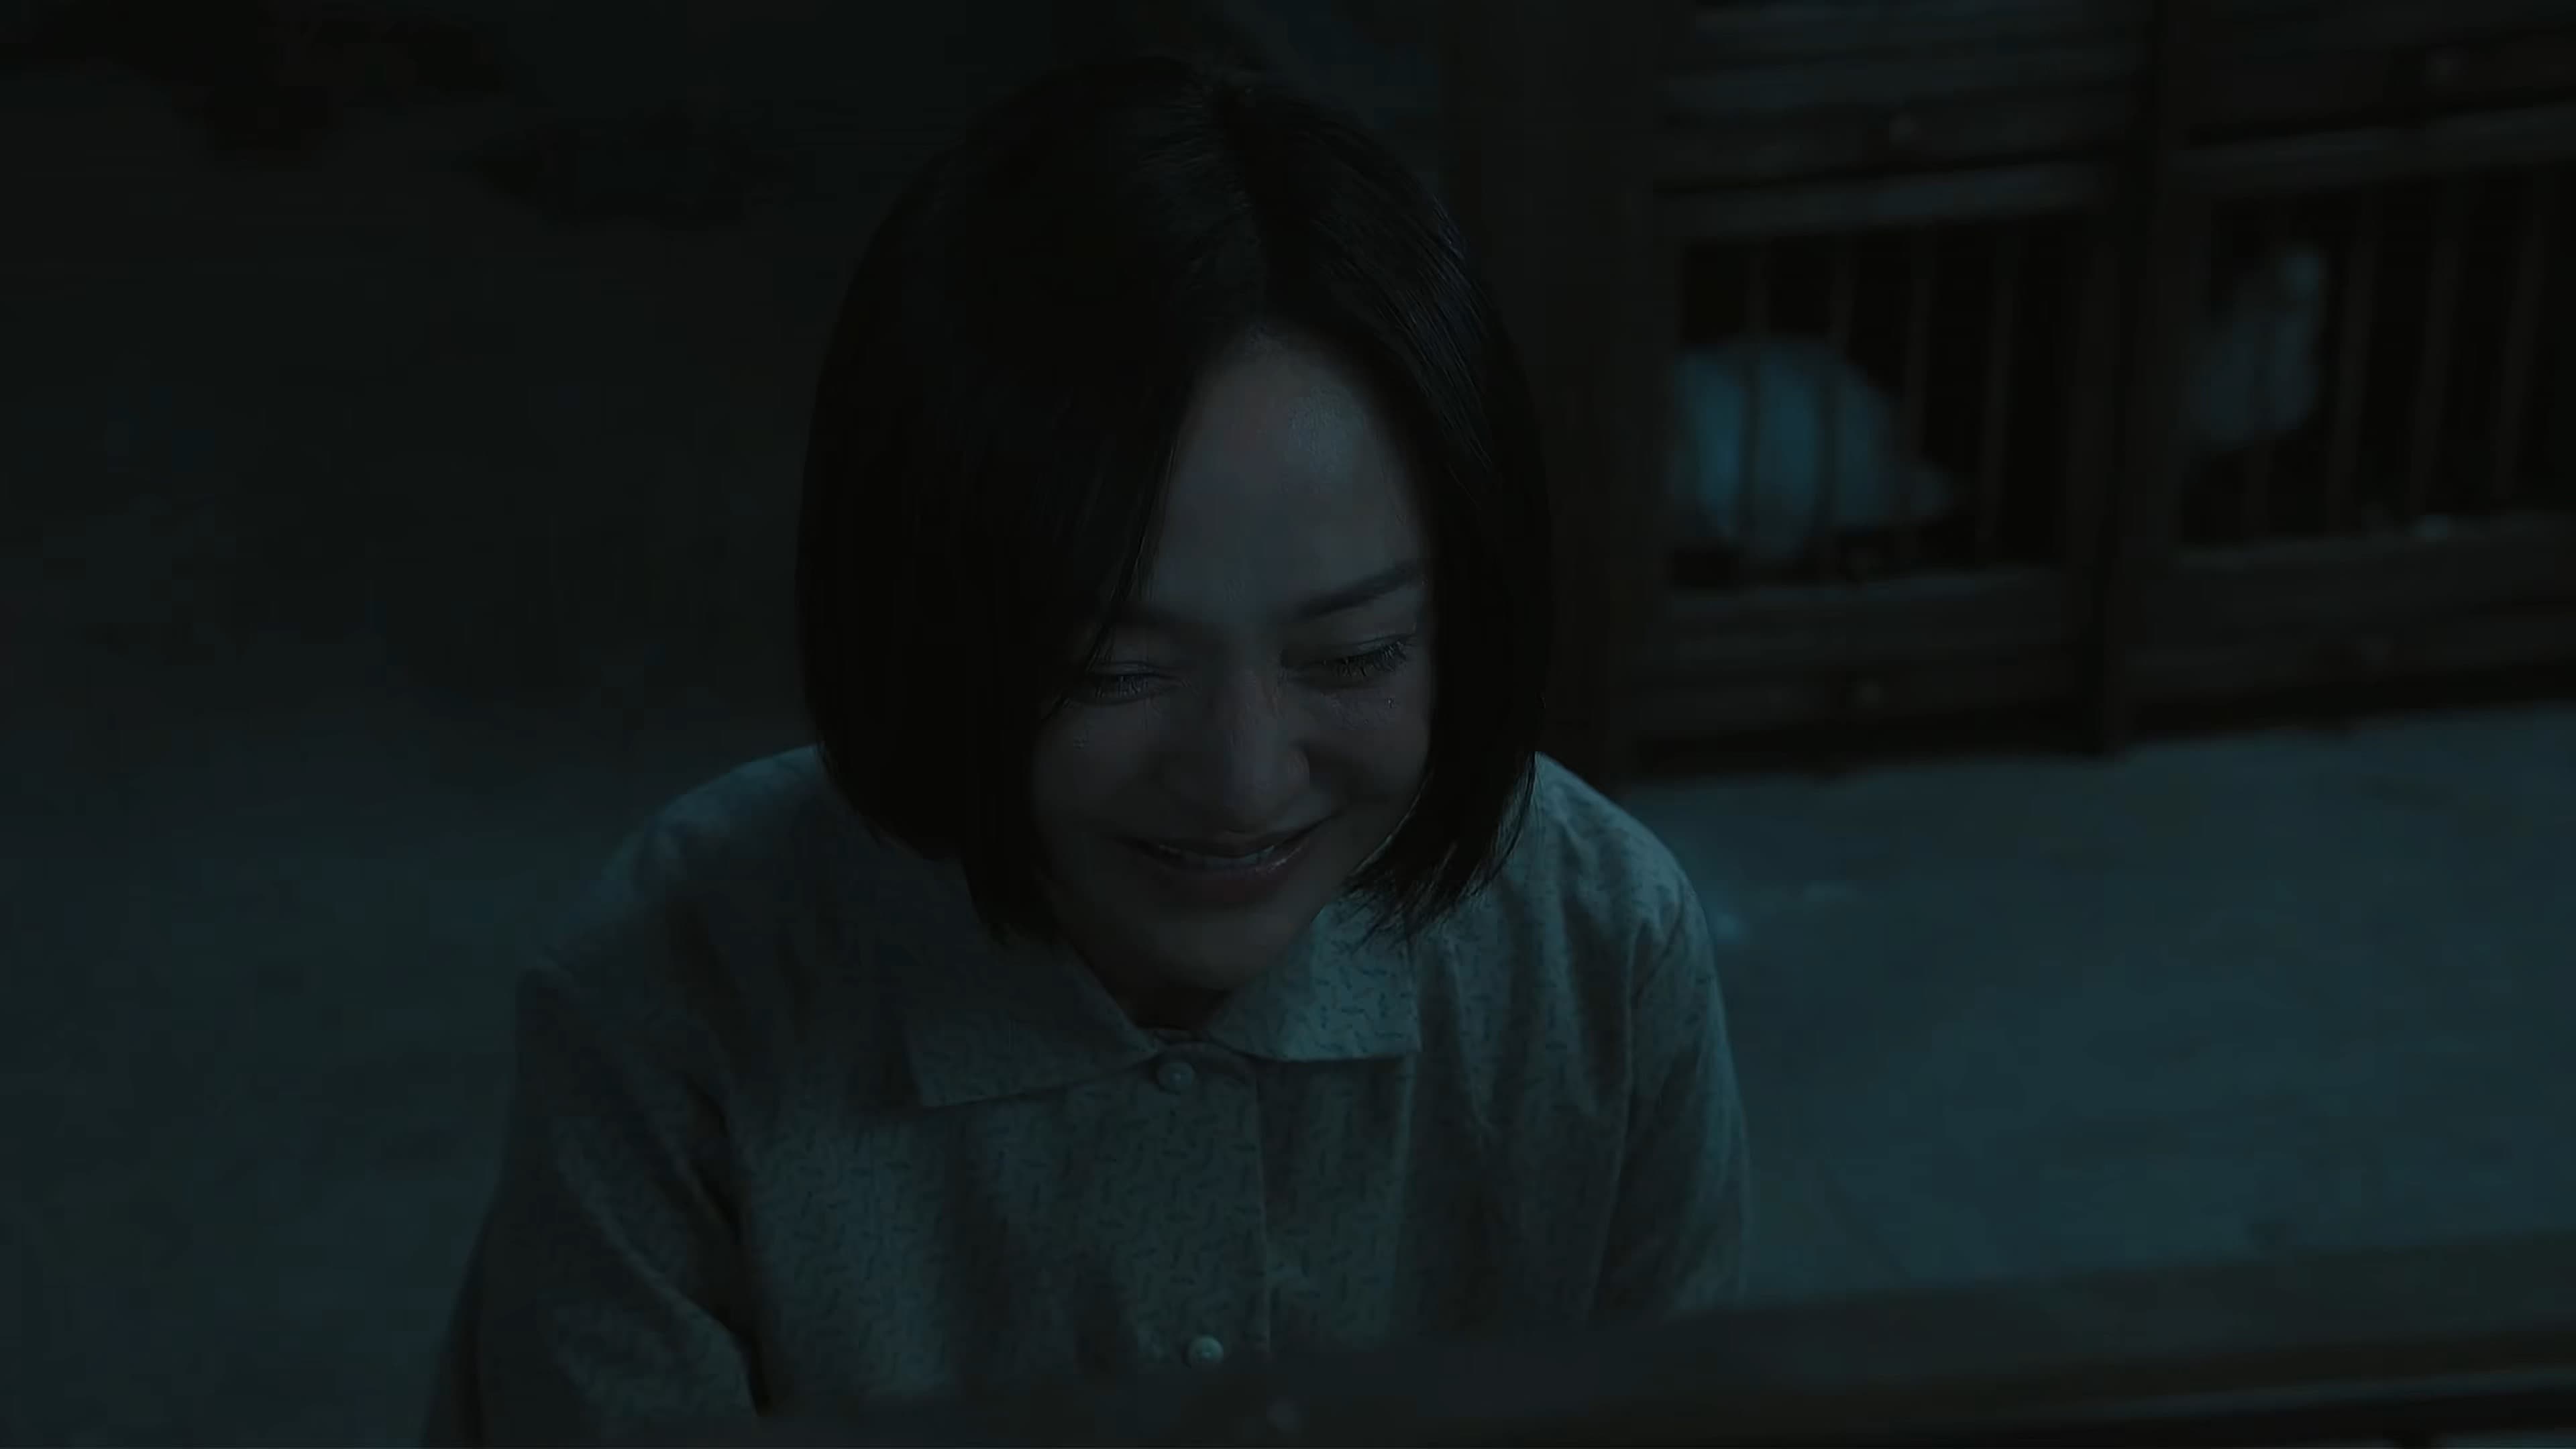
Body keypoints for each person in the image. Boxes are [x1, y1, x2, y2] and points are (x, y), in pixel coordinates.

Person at [422, 52, 1749, 1448]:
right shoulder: (673, 1002)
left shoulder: (1599, 956)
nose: (1241, 781)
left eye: (1353, 654)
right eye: (1112, 668)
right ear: (920, 619)